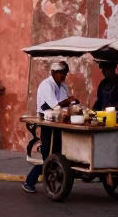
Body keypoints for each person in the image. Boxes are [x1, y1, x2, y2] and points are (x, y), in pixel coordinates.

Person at [23, 60, 79, 194]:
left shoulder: (64, 86)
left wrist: (73, 104)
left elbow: (65, 106)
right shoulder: (46, 85)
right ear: (53, 73)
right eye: (61, 73)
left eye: (65, 73)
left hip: (60, 123)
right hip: (47, 123)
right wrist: (69, 100)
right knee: (48, 156)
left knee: (58, 154)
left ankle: (54, 180)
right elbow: (55, 105)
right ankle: (29, 181)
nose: (63, 76)